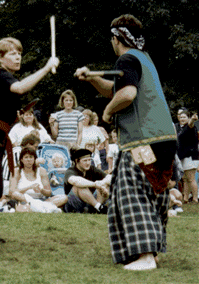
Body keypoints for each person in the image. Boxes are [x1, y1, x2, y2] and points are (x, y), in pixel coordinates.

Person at [75, 14, 177, 270]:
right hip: (164, 139)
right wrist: (93, 79)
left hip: (143, 141)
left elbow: (127, 94)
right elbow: (117, 88)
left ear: (116, 38)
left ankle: (144, 257)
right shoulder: (144, 59)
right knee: (154, 194)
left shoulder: (126, 58)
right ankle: (151, 253)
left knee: (131, 195)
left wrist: (108, 112)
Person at [0, 37, 59, 254]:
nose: (18, 56)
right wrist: (46, 67)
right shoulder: (1, 75)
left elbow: (4, 105)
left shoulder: (3, 78)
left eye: (20, 53)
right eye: (13, 53)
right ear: (0, 57)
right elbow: (19, 88)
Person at [9, 147, 68, 212]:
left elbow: (49, 193)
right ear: (21, 160)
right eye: (26, 157)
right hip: (24, 199)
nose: (29, 160)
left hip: (42, 200)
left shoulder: (42, 171)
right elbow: (12, 192)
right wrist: (29, 187)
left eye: (31, 157)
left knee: (64, 197)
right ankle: (45, 208)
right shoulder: (17, 171)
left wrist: (41, 190)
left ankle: (38, 207)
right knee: (15, 194)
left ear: (35, 159)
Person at [63, 148, 111, 214]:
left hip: (88, 202)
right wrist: (95, 184)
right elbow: (75, 181)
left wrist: (101, 184)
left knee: (105, 184)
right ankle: (99, 207)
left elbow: (110, 177)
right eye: (85, 161)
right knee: (79, 186)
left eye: (89, 160)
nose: (88, 163)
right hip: (74, 204)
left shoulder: (92, 169)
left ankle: (97, 209)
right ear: (77, 161)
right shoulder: (70, 171)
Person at [175, 111, 198, 204]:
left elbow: (191, 124)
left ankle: (195, 199)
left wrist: (192, 119)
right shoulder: (179, 128)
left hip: (191, 156)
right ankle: (185, 198)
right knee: (185, 179)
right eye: (180, 117)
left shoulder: (190, 127)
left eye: (184, 117)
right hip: (183, 156)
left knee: (191, 178)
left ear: (188, 118)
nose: (182, 119)